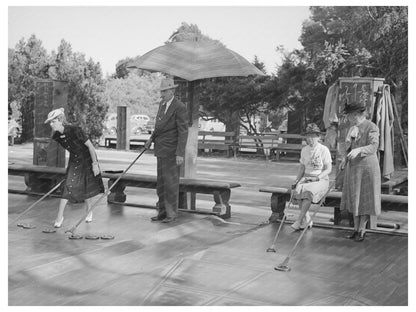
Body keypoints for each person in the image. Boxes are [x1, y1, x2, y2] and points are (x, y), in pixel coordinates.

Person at [44, 108, 104, 228]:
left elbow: (91, 147)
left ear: (60, 120)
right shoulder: (56, 136)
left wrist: (95, 164)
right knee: (68, 186)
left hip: (86, 159)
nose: (51, 124)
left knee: (85, 186)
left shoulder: (75, 130)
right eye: (50, 122)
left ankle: (89, 211)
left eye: (53, 121)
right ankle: (59, 217)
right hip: (74, 160)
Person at [145, 77, 188, 223]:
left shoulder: (180, 107)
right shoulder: (162, 105)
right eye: (161, 91)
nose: (161, 94)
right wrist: (150, 139)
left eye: (164, 91)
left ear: (172, 91)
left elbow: (183, 132)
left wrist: (180, 153)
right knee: (161, 183)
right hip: (160, 150)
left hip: (172, 152)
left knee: (171, 183)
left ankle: (171, 214)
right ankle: (162, 212)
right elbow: (159, 127)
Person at [340, 102, 381, 242]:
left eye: (350, 116)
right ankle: (355, 229)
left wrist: (359, 150)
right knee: (354, 197)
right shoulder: (353, 128)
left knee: (364, 198)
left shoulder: (371, 126)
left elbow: (374, 147)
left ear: (356, 115)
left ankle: (362, 231)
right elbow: (349, 147)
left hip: (367, 168)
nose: (349, 119)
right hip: (354, 167)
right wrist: (344, 159)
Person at [291, 123, 332, 230]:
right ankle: (307, 219)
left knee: (307, 192)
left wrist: (317, 178)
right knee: (298, 190)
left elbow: (328, 169)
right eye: (308, 136)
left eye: (313, 136)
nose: (310, 139)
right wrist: (296, 180)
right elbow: (302, 168)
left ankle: (299, 220)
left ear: (318, 137)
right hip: (307, 178)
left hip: (320, 179)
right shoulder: (304, 150)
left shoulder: (324, 150)